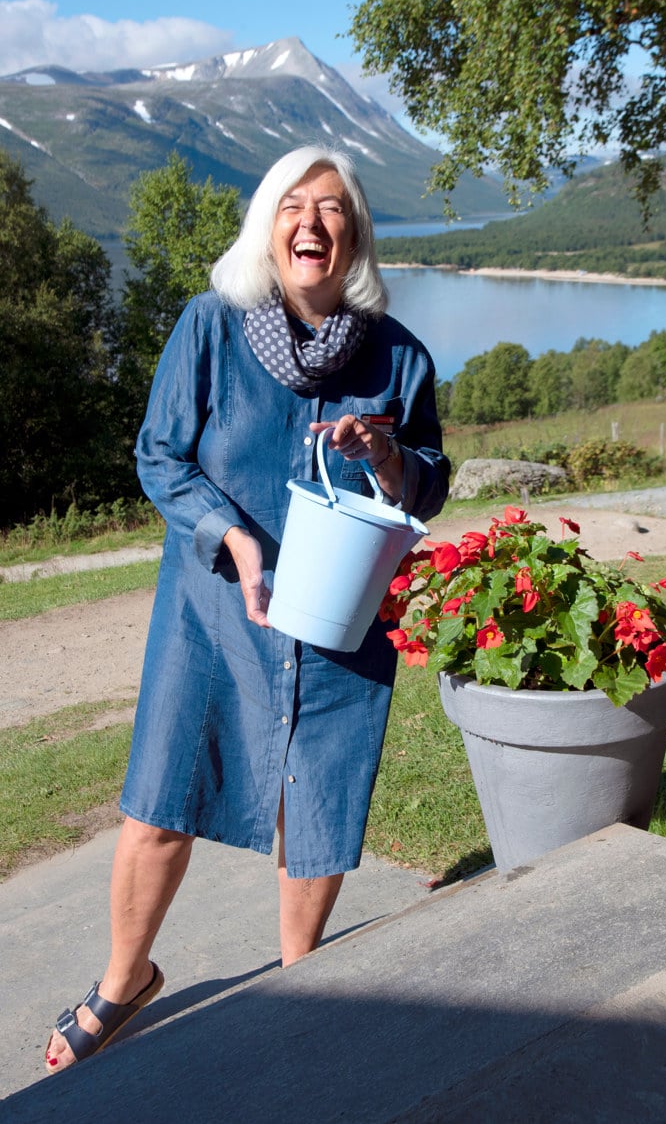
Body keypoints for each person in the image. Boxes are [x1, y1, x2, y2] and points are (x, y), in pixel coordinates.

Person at [45, 145, 450, 1072]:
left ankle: (296, 986)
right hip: (215, 611)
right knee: (161, 802)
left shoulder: (400, 358)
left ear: (355, 233)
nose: (312, 224)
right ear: (268, 228)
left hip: (342, 624)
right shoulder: (210, 326)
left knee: (319, 802)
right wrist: (232, 539)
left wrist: (388, 455)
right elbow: (161, 456)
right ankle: (123, 981)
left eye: (333, 208)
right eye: (294, 207)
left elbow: (426, 487)